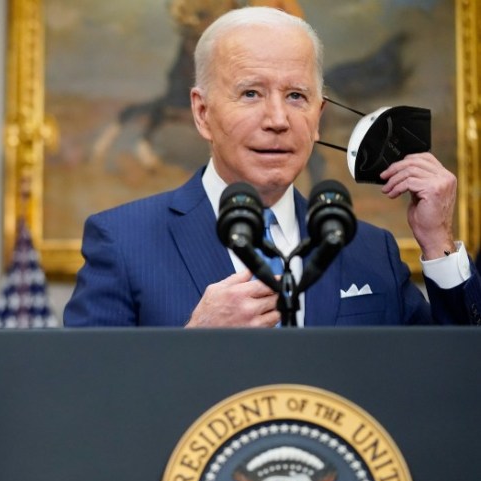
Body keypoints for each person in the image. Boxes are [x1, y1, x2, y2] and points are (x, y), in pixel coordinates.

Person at [64, 6, 481, 327]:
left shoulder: (372, 252)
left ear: (317, 116)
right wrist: (192, 340)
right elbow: (88, 403)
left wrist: (437, 242)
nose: (278, 119)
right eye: (250, 93)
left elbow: (449, 386)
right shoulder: (122, 241)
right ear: (202, 113)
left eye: (296, 96)